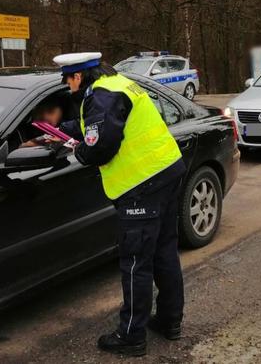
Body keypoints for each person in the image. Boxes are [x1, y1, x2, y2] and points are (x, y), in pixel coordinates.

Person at [53, 52, 186, 357]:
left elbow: (100, 148)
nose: (68, 87)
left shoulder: (100, 95)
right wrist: (63, 130)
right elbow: (99, 124)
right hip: (166, 172)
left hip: (141, 185)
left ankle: (131, 336)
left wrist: (79, 153)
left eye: (67, 80)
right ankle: (169, 321)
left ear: (77, 76)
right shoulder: (118, 84)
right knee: (165, 251)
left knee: (137, 261)